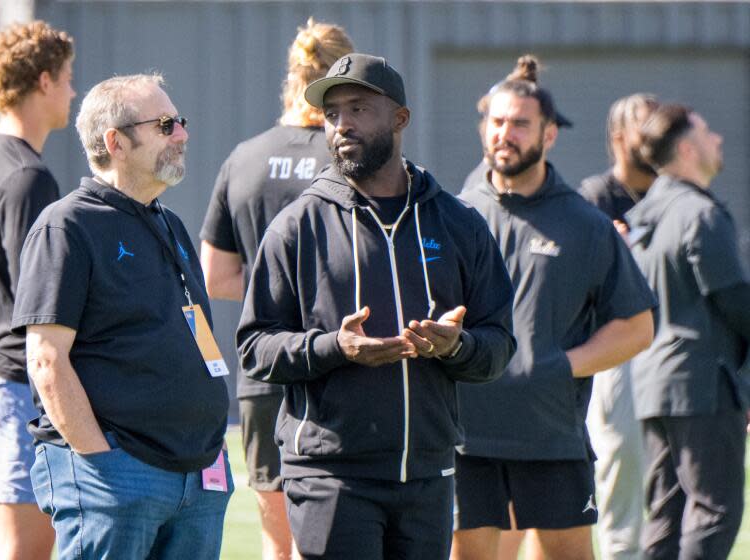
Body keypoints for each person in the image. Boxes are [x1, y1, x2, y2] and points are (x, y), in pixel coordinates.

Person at [237, 52, 516, 560]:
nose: (342, 123)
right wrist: (334, 347)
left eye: (359, 109)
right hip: (330, 475)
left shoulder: (459, 224)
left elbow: (499, 346)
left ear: (400, 118)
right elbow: (255, 347)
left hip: (428, 474)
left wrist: (458, 347)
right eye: (332, 112)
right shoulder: (296, 227)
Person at [11, 74, 232, 559]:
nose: (182, 134)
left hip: (199, 471)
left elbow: (196, 330)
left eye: (181, 122)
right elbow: (47, 360)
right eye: (166, 125)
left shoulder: (168, 223)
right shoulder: (67, 225)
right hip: (119, 474)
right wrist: (101, 463)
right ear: (116, 142)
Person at [454, 55, 656, 560]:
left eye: (521, 123)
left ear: (548, 135)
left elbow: (636, 326)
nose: (506, 133)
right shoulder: (454, 213)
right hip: (464, 435)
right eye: (497, 122)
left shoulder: (584, 223)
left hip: (550, 437)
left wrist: (560, 366)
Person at [199, 18, 353, 560]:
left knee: (278, 540)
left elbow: (215, 276)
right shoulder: (352, 159)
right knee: (344, 527)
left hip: (263, 371)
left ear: (292, 78)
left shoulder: (244, 158)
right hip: (341, 367)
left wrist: (275, 295)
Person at [0, 21, 75, 560]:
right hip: (17, 382)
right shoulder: (28, 176)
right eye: (68, 78)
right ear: (44, 81)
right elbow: (36, 299)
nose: (74, 92)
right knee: (25, 547)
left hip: (2, 377)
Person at [626, 103, 749, 560]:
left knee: (666, 516)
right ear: (685, 147)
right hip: (702, 384)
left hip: (653, 383)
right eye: (706, 131)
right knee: (714, 512)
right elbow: (735, 301)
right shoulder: (700, 213)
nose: (717, 139)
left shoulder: (645, 214)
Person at [579, 93, 659, 560]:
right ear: (618, 139)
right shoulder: (595, 196)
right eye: (643, 130)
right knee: (620, 469)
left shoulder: (672, 194)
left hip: (669, 351)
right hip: (618, 353)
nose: (654, 142)